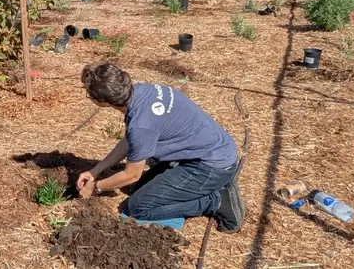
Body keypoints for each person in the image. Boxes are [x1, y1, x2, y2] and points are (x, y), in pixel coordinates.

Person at [75, 62, 245, 233]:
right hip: (209, 151)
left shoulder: (141, 125)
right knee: (137, 189)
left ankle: (216, 200)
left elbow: (132, 174)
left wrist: (96, 187)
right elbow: (130, 141)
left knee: (139, 207)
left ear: (103, 101)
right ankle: (210, 185)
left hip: (212, 166)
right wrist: (95, 171)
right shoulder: (143, 91)